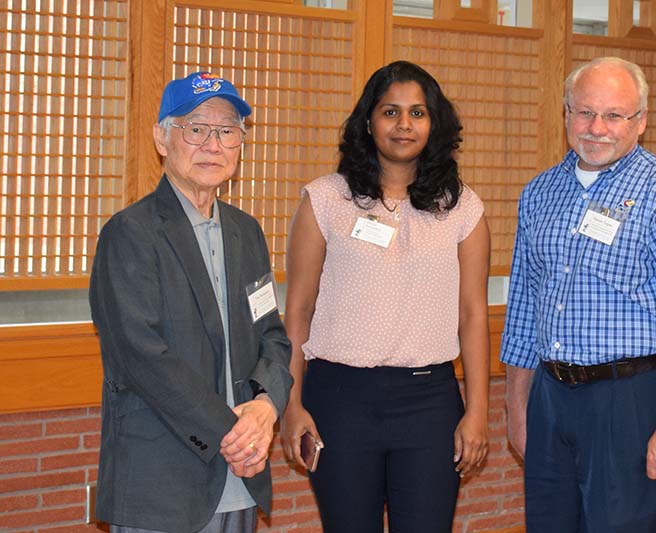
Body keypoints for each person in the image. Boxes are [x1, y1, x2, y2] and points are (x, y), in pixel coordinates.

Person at [500, 56, 656, 533]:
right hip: (551, 399)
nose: (596, 128)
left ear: (640, 121)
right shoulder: (539, 193)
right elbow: (522, 309)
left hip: (632, 402)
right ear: (565, 115)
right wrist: (518, 410)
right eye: (584, 112)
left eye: (614, 115)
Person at [279, 60, 490, 533]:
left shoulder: (463, 208)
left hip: (429, 403)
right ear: (368, 122)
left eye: (418, 112)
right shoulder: (325, 200)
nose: (404, 124)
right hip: (339, 400)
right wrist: (291, 406)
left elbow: (474, 316)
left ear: (435, 124)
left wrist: (477, 411)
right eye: (390, 112)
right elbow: (297, 310)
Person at [89, 72, 293, 533]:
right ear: (162, 137)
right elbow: (140, 356)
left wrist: (266, 408)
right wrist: (236, 434)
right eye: (196, 129)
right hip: (163, 482)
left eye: (227, 132)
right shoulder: (130, 234)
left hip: (240, 476)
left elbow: (273, 337)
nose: (213, 145)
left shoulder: (247, 232)